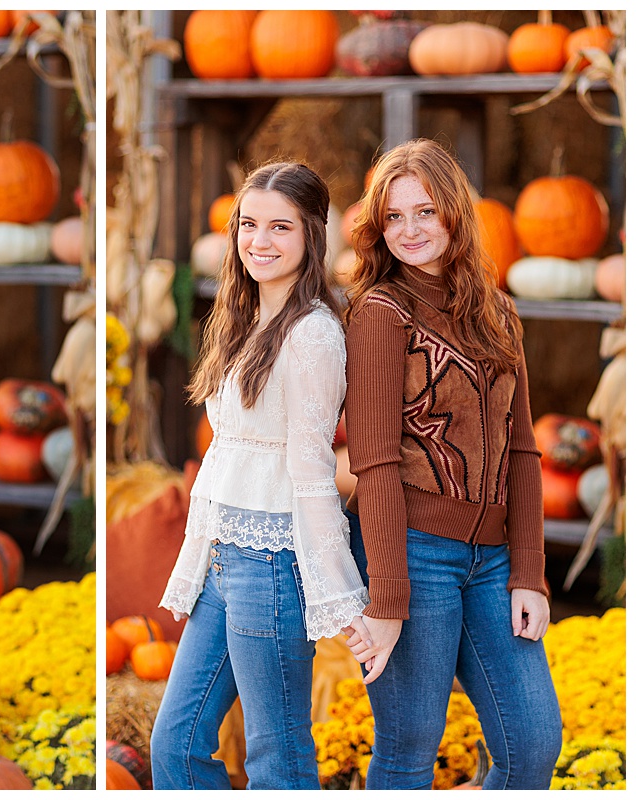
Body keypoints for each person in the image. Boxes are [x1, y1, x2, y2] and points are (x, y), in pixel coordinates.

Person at [342, 138, 559, 789]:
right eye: (394, 217)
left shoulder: (500, 314)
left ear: (455, 215)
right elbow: (374, 462)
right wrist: (386, 593)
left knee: (532, 747)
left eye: (425, 212)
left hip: (493, 562)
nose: (410, 229)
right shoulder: (381, 313)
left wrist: (529, 570)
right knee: (408, 751)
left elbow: (521, 449)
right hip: (412, 552)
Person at [152, 161, 371, 790]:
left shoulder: (313, 336)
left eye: (281, 227)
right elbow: (228, 457)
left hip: (274, 564)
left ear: (312, 236)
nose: (260, 241)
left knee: (278, 756)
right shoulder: (242, 319)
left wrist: (338, 591)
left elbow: (312, 473)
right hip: (227, 555)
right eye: (249, 224)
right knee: (176, 745)